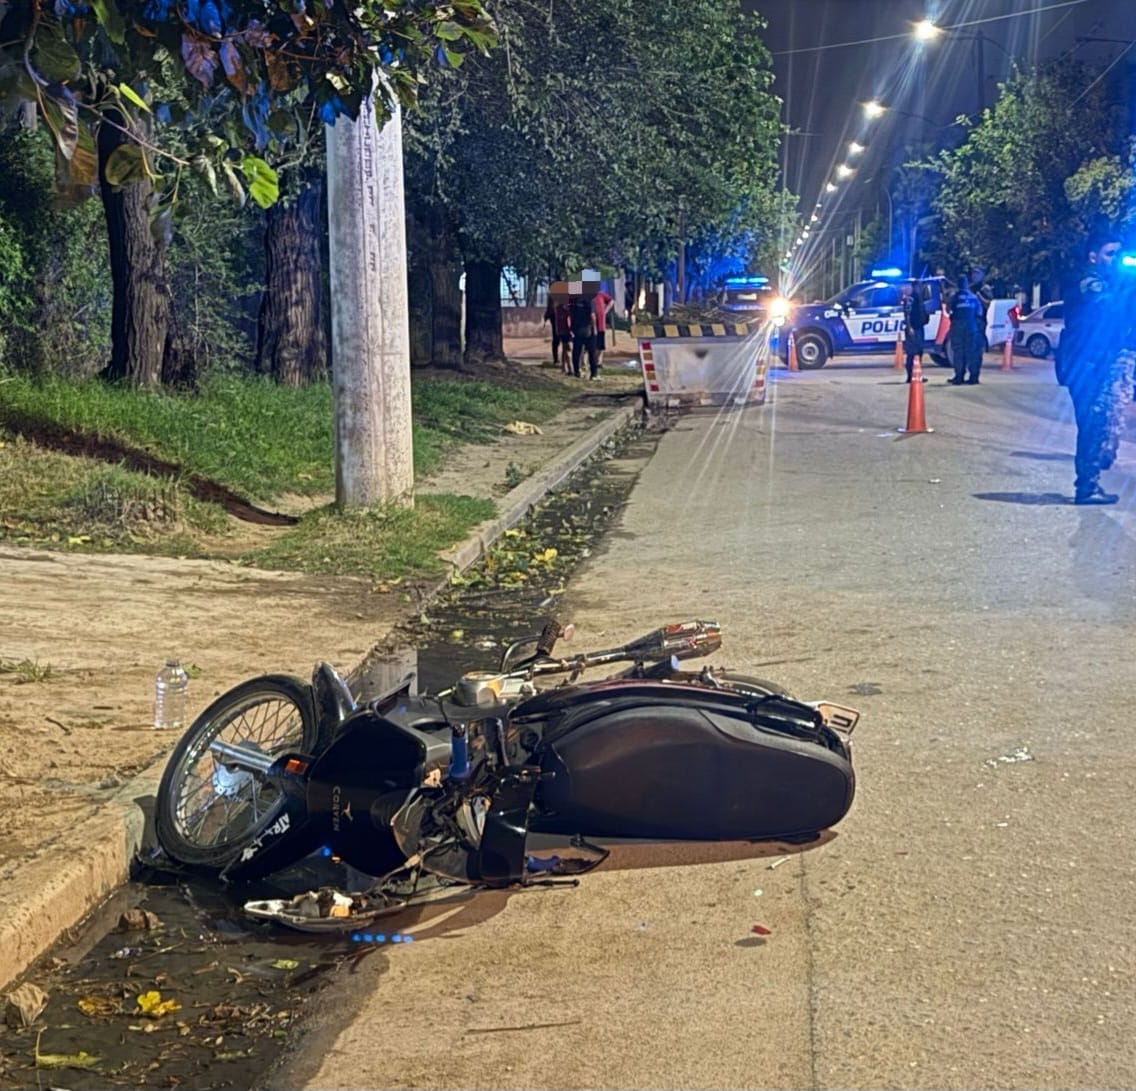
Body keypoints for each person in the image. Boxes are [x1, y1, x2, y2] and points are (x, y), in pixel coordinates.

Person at [1056, 226, 1135, 504]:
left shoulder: (1114, 284)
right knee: (1091, 422)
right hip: (1083, 363)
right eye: (1110, 254)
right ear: (1093, 256)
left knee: (1095, 422)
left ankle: (1089, 482)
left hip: (1098, 360)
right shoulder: (1086, 281)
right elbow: (1106, 308)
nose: (1115, 260)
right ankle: (1086, 487)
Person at [946, 273, 984, 384]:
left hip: (958, 327)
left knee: (958, 352)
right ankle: (973, 377)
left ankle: (959, 377)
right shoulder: (974, 297)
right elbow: (979, 312)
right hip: (971, 327)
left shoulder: (956, 297)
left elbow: (949, 310)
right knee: (972, 352)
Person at [901, 280, 929, 383]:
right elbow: (907, 314)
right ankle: (910, 376)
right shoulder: (911, 299)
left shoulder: (919, 298)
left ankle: (917, 374)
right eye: (919, 286)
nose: (920, 288)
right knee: (912, 352)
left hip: (919, 327)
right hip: (913, 328)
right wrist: (910, 328)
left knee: (919, 352)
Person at [568, 285, 598, 380]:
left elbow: (570, 314)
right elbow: (592, 316)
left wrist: (571, 328)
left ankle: (577, 372)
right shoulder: (589, 301)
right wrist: (595, 328)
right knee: (592, 352)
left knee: (576, 351)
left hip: (577, 330)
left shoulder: (573, 302)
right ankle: (594, 374)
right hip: (588, 330)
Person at [591, 282, 615, 375]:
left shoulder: (601, 295)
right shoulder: (589, 297)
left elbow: (611, 301)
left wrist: (606, 310)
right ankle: (592, 361)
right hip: (592, 326)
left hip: (601, 324)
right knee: (593, 344)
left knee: (601, 345)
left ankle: (599, 362)